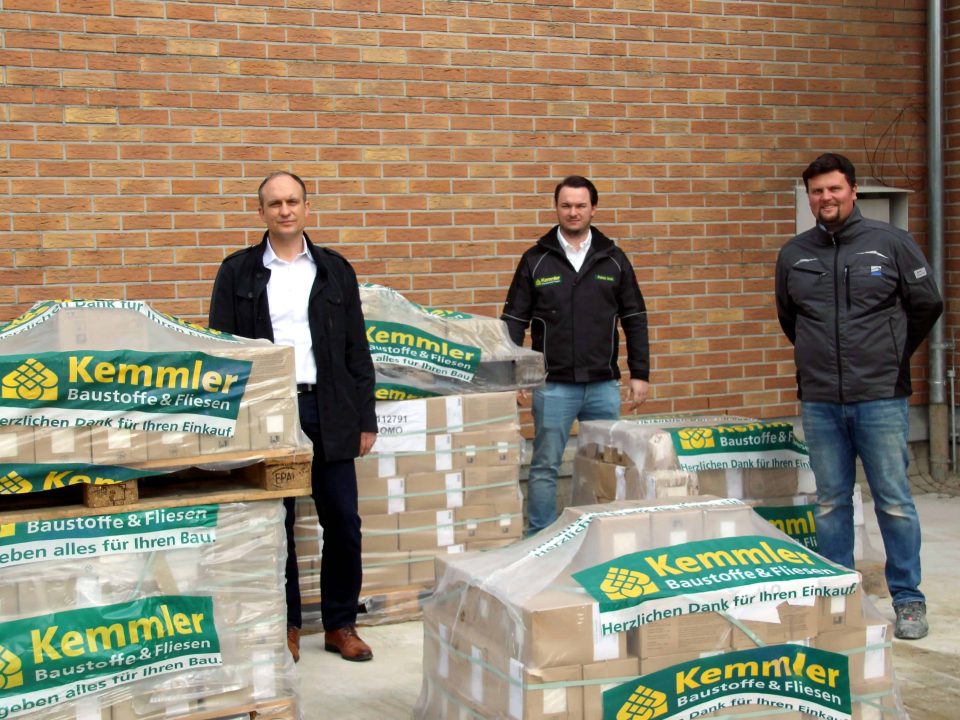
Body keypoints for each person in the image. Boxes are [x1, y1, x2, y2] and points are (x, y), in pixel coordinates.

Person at [209, 171, 378, 661]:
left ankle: (340, 625)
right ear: (261, 212)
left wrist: (365, 418)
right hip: (270, 412)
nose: (285, 210)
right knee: (274, 524)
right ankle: (286, 626)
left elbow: (356, 348)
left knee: (342, 522)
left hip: (329, 409)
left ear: (306, 207)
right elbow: (224, 351)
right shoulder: (238, 272)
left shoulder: (333, 270)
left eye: (292, 201)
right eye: (275, 203)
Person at [775, 153, 943, 640]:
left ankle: (907, 599)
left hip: (880, 397)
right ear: (809, 198)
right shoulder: (794, 254)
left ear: (852, 191)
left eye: (834, 188)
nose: (826, 197)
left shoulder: (891, 243)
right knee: (830, 502)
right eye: (817, 191)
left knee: (893, 501)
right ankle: (838, 599)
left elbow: (927, 303)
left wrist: (892, 354)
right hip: (821, 399)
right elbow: (790, 318)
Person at [501, 175, 650, 535]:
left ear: (593, 209)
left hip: (603, 385)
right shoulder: (536, 260)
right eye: (566, 205)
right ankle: (541, 536)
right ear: (556, 208)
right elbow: (513, 321)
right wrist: (515, 375)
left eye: (580, 205)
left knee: (606, 465)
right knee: (545, 466)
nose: (573, 212)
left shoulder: (613, 259)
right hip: (553, 386)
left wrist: (640, 373)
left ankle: (601, 533)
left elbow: (635, 318)